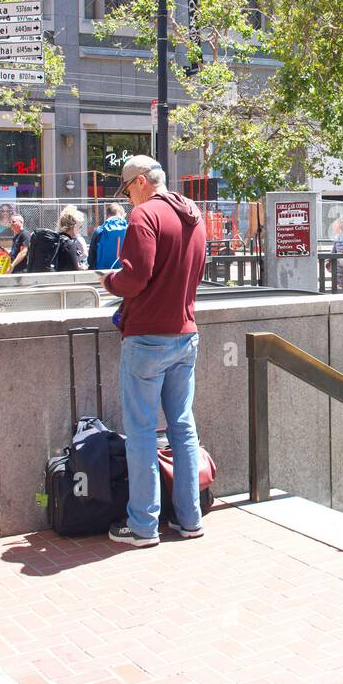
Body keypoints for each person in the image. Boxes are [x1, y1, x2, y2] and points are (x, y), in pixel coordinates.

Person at [102, 156, 207, 546]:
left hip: (147, 337)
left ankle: (144, 525)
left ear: (143, 182)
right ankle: (189, 518)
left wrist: (110, 280)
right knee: (182, 426)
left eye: (129, 189)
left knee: (142, 430)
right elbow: (196, 271)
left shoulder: (144, 217)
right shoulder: (193, 215)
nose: (129, 199)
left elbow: (136, 276)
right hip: (186, 334)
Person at [89, 203, 128, 271]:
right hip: (123, 272)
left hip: (102, 272)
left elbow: (91, 257)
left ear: (107, 216)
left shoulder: (99, 231)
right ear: (121, 215)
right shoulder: (129, 230)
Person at [57, 205, 88, 271]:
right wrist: (83, 267)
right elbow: (76, 268)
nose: (80, 229)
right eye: (80, 226)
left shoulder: (56, 238)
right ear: (75, 226)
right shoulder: (69, 244)